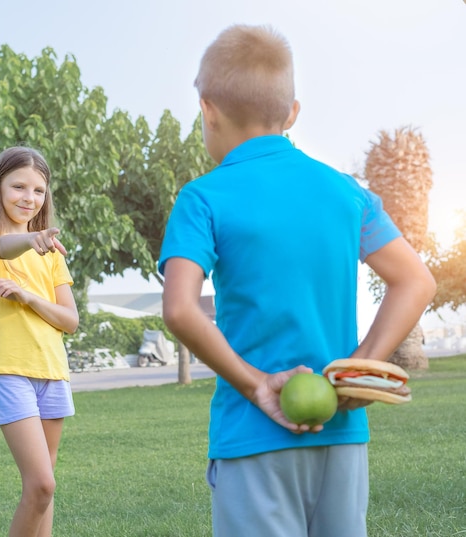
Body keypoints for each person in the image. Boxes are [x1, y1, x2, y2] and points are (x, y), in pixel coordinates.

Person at [159, 25, 436, 537]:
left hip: (252, 436)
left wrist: (258, 385)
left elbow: (179, 309)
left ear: (207, 110)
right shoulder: (345, 193)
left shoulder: (202, 198)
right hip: (342, 433)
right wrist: (361, 367)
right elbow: (416, 281)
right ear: (291, 113)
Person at [0, 146, 79, 537]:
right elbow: (0, 248)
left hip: (53, 371)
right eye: (19, 187)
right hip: (9, 370)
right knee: (41, 483)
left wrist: (27, 296)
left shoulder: (51, 253)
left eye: (39, 191)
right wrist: (31, 240)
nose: (29, 198)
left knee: (46, 490)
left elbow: (70, 320)